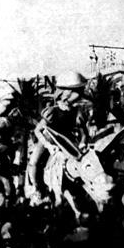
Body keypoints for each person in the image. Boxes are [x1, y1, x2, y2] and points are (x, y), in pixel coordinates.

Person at [27, 71, 89, 205]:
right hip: (49, 141)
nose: (79, 94)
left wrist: (83, 142)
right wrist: (48, 145)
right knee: (34, 163)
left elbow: (84, 132)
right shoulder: (52, 111)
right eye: (75, 91)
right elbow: (38, 130)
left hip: (68, 142)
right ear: (65, 92)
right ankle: (37, 189)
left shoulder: (77, 111)